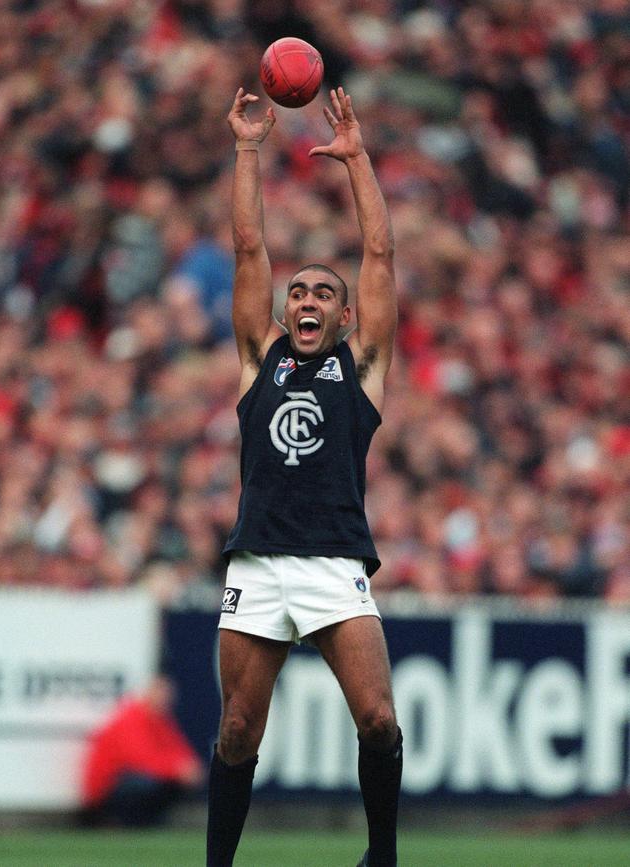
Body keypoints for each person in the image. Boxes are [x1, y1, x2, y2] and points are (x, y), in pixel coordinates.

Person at [206, 86, 402, 867]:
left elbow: (380, 257)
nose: (309, 298)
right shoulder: (261, 358)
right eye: (300, 292)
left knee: (379, 718)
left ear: (345, 317)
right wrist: (249, 147)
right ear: (286, 313)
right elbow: (250, 248)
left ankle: (380, 856)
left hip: (332, 561)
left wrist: (357, 160)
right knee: (234, 731)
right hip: (258, 561)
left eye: (325, 292)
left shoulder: (364, 368)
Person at [80, 674, 204, 828]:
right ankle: (121, 821)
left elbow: (178, 750)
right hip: (108, 790)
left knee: (173, 782)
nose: (164, 700)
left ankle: (146, 821)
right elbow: (140, 760)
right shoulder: (131, 718)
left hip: (130, 781)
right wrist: (177, 769)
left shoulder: (160, 720)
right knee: (144, 783)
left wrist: (187, 768)